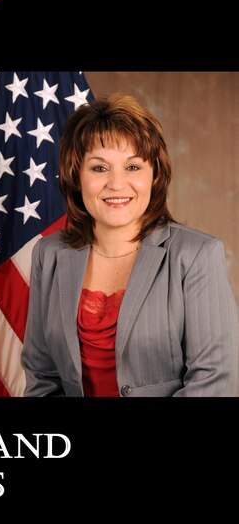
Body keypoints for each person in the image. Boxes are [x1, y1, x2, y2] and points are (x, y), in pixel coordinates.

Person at [21, 94, 239, 397]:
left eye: (133, 167)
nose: (116, 183)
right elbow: (42, 376)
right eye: (99, 168)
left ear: (155, 174)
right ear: (76, 176)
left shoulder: (196, 255)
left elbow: (214, 380)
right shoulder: (50, 254)